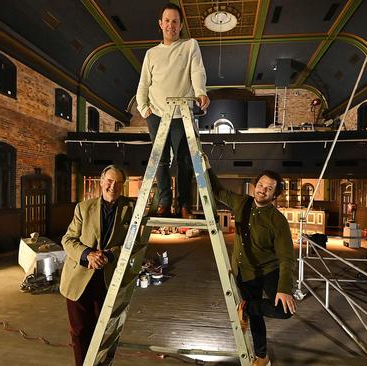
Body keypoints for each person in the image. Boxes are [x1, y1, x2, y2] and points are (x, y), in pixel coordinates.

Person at [207, 161, 296, 366]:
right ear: (255, 185)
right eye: (261, 185)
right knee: (256, 315)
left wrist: (284, 289)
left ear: (275, 195)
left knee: (285, 310)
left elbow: (286, 257)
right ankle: (262, 357)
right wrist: (208, 168)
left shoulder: (278, 220)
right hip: (245, 271)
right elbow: (218, 191)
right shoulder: (241, 202)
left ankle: (246, 307)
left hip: (269, 270)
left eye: (269, 188)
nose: (263, 190)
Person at [136, 2, 210, 219]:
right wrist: (144, 109)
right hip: (156, 113)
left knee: (185, 161)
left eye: (175, 21)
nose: (171, 25)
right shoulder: (151, 54)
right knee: (160, 161)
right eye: (167, 21)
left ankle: (184, 205)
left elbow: (197, 70)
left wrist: (201, 92)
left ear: (180, 25)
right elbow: (143, 83)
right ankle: (164, 202)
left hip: (182, 114)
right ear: (160, 24)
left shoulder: (190, 46)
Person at [60, 165, 135, 366]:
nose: (113, 186)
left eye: (118, 183)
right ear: (101, 182)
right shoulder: (83, 208)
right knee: (80, 332)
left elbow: (132, 243)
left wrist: (110, 256)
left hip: (108, 280)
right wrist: (87, 254)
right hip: (79, 279)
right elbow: (68, 240)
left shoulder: (131, 209)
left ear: (123, 186)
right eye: (110, 181)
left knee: (104, 332)